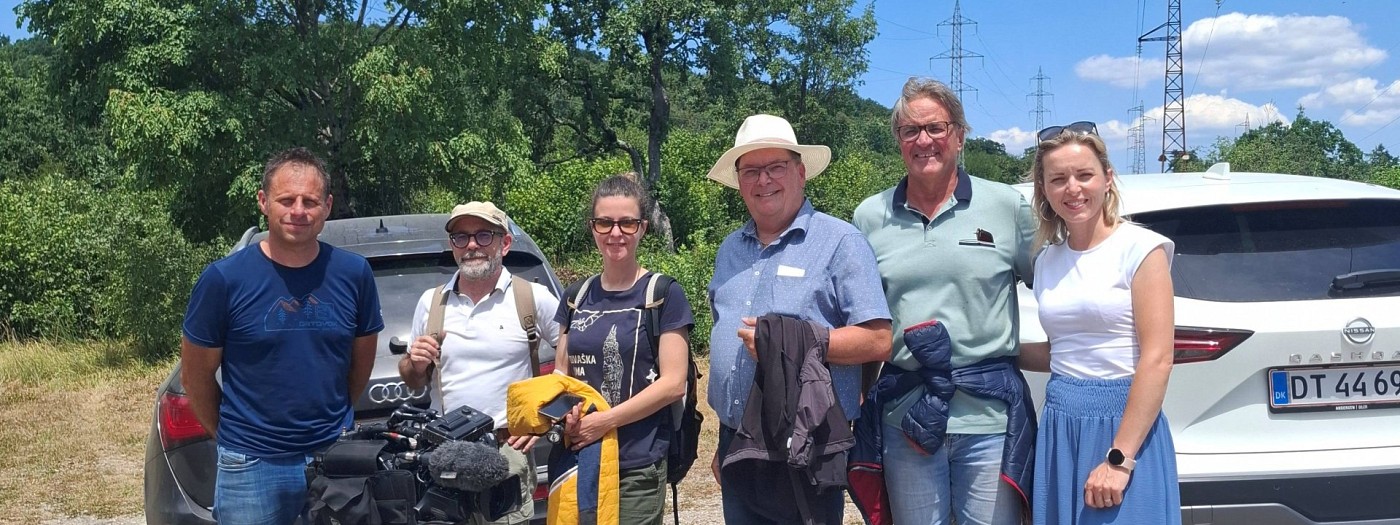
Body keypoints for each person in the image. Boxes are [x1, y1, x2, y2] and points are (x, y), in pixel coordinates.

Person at [851, 77, 1037, 525]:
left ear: (958, 134)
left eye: (935, 128)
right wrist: (858, 404)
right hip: (905, 417)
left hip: (988, 419)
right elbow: (864, 321)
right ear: (898, 140)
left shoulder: (1006, 207)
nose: (924, 141)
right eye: (910, 131)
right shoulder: (868, 217)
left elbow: (1058, 288)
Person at [181, 147, 384, 525]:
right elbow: (195, 375)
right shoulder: (223, 280)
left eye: (310, 201)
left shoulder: (353, 274)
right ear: (263, 202)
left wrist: (332, 424)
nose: (298, 211)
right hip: (251, 465)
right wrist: (231, 437)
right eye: (286, 199)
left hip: (334, 459)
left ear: (327, 205)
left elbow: (360, 367)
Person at [706, 113, 893, 524]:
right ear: (739, 181)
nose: (763, 180)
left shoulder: (840, 241)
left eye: (776, 167)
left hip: (807, 440)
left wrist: (796, 340)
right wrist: (726, 442)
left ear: (801, 172)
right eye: (751, 170)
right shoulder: (729, 250)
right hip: (738, 439)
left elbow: (877, 340)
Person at [1020, 122, 1179, 524]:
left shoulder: (1141, 250)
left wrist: (1120, 459)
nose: (1072, 188)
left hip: (1121, 425)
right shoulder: (1047, 261)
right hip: (1061, 423)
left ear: (1107, 178)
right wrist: (989, 351)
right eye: (1058, 179)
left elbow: (1158, 358)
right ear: (1043, 190)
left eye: (1084, 175)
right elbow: (1065, 349)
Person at [398, 200, 562, 524]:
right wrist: (414, 364)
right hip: (446, 457)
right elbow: (414, 379)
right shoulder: (431, 303)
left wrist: (547, 418)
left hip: (507, 453)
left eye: (483, 235)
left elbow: (574, 362)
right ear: (453, 246)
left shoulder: (531, 298)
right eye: (461, 237)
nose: (472, 245)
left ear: (505, 242)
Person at [552, 173, 694, 524]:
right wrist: (564, 417)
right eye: (605, 223)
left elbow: (674, 383)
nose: (615, 234)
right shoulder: (575, 297)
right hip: (581, 458)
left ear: (643, 228)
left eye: (627, 223)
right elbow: (561, 377)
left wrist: (605, 422)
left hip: (636, 464)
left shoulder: (662, 294)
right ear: (593, 227)